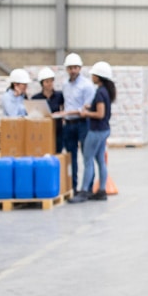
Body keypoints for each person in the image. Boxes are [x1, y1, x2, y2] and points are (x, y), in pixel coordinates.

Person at [72, 61, 114, 203]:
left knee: (88, 160)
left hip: (96, 130)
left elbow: (100, 114)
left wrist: (86, 114)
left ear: (99, 76)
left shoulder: (100, 92)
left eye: (94, 75)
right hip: (104, 130)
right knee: (100, 160)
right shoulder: (105, 91)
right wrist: (91, 106)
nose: (92, 77)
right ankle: (101, 190)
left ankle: (84, 191)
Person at [56, 53, 94, 195]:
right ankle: (73, 187)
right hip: (69, 124)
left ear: (80, 68)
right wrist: (63, 114)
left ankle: (88, 188)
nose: (73, 70)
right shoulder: (65, 85)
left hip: (83, 124)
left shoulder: (87, 85)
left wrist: (68, 112)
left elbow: (87, 107)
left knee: (86, 156)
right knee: (71, 157)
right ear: (67, 69)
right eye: (70, 68)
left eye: (75, 68)